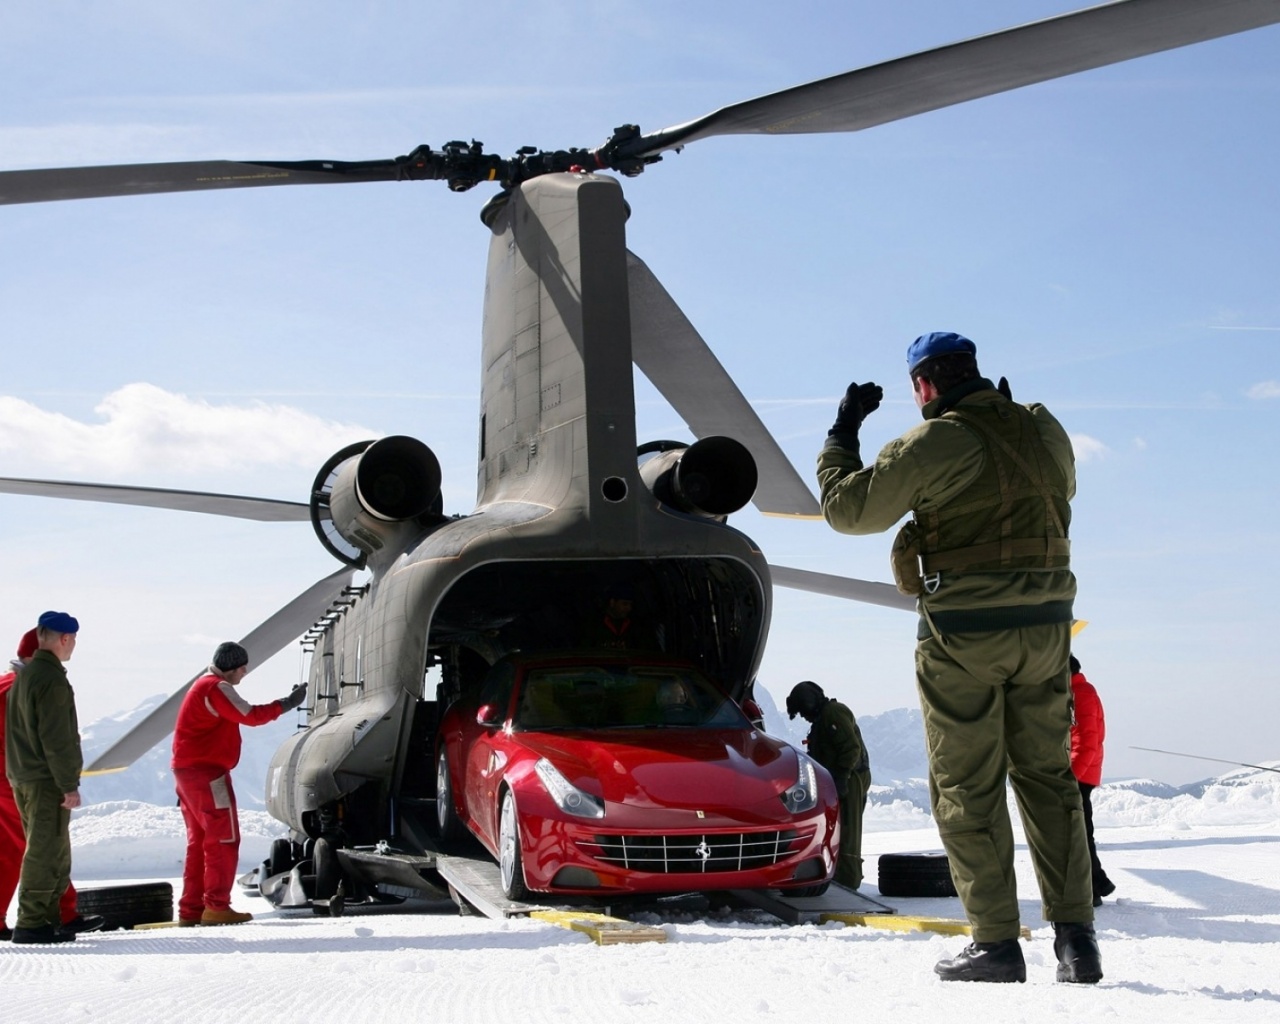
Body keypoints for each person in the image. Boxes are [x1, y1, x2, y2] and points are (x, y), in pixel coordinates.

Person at [815, 331, 1100, 985]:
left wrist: (843, 433)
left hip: (966, 635)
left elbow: (848, 511)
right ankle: (1077, 943)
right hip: (1048, 630)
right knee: (1049, 783)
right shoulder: (1042, 427)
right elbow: (1062, 490)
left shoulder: (933, 442)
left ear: (924, 386)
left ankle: (997, 945)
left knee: (966, 790)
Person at [171, 641, 306, 926]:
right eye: (243, 667)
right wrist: (287, 703)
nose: (245, 673)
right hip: (208, 775)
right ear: (232, 666)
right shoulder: (216, 687)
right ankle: (217, 906)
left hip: (187, 775)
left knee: (199, 843)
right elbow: (249, 715)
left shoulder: (200, 687)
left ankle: (191, 910)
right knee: (223, 838)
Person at [1, 627, 103, 941]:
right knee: (44, 844)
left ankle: (62, 911)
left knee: (29, 845)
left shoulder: (8, 684)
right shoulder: (27, 687)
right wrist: (64, 780)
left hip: (12, 776)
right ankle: (53, 915)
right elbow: (50, 738)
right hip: (20, 777)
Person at [786, 681, 871, 890]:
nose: (804, 717)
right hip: (836, 780)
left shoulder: (833, 713)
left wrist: (842, 776)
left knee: (848, 830)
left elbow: (851, 748)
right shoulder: (823, 719)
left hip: (850, 778)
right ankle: (838, 875)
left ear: (809, 703)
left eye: (803, 711)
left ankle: (848, 881)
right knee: (836, 829)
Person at [1070, 655, 1115, 907]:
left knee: (1079, 833)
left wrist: (1071, 777)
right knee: (1080, 832)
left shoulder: (1080, 694)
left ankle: (1093, 886)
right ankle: (1095, 884)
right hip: (1083, 773)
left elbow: (1086, 740)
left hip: (1080, 775)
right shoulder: (1079, 692)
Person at [581, 582, 659, 651]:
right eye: (624, 604)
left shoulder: (637, 626)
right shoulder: (593, 624)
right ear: (612, 602)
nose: (629, 608)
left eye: (631, 604)